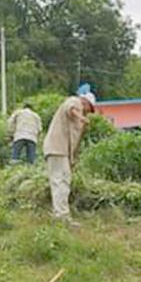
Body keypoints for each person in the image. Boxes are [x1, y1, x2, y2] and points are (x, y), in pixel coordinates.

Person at [42, 86, 96, 220]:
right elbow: (70, 108)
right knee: (61, 181)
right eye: (89, 108)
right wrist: (81, 118)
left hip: (60, 150)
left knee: (61, 180)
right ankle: (62, 215)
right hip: (56, 147)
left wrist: (72, 159)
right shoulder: (75, 101)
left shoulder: (78, 118)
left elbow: (73, 141)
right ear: (85, 102)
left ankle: (59, 214)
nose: (88, 112)